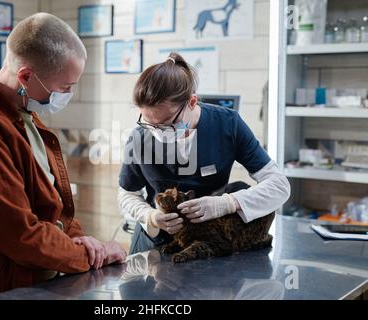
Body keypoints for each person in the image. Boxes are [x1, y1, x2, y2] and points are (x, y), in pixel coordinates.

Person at [0, 13, 126, 300]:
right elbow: (18, 235)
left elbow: (51, 200)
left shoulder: (21, 110)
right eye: (64, 87)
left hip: (37, 276)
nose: (67, 94)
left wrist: (78, 238)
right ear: (25, 76)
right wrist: (90, 255)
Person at [117, 52, 290, 254]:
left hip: (208, 243)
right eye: (149, 123)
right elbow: (127, 192)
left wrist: (228, 203)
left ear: (191, 102)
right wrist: (149, 215)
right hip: (154, 242)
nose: (157, 133)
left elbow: (279, 186)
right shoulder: (140, 137)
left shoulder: (228, 124)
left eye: (167, 124)